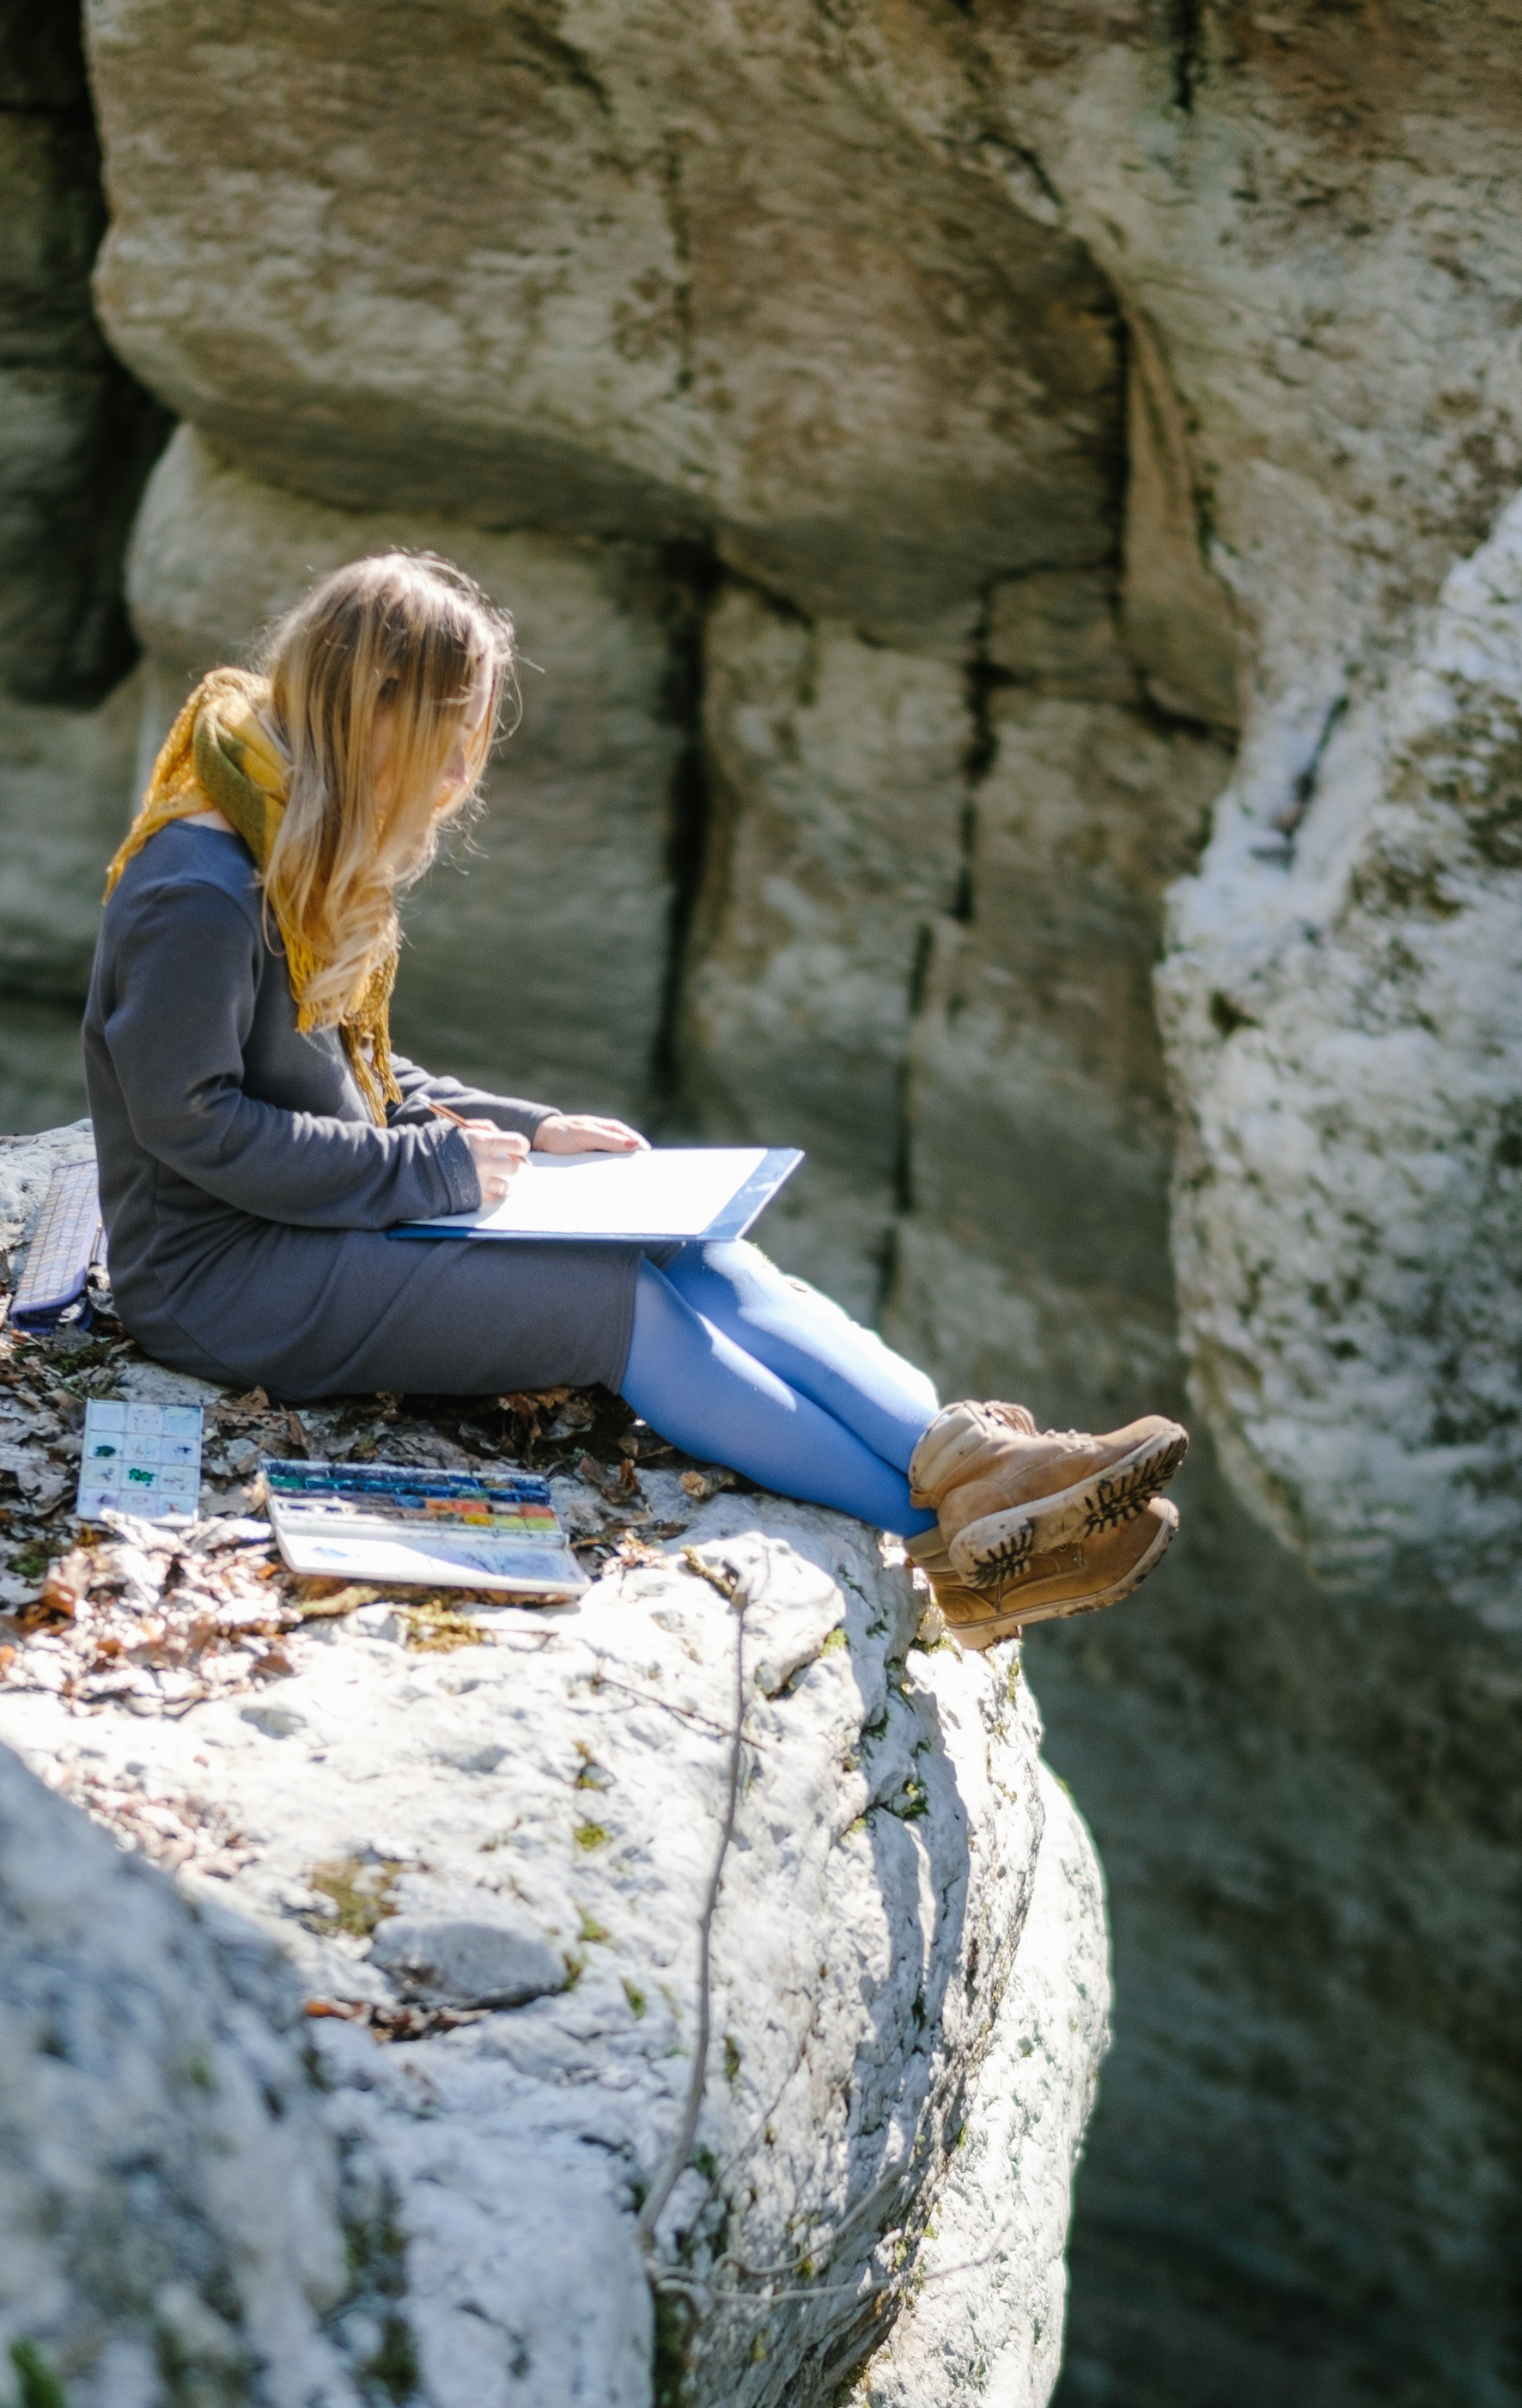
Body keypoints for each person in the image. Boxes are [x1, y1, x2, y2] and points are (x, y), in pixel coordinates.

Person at [83, 552, 1186, 1644]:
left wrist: (532, 1129)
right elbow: (192, 1122)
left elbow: (356, 1076)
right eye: (446, 736)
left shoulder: (286, 824)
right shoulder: (200, 888)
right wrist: (437, 1169)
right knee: (612, 1306)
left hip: (310, 1220)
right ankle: (959, 1546)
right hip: (219, 1277)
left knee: (690, 1245)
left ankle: (977, 1463)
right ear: (370, 711)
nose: (460, 772)